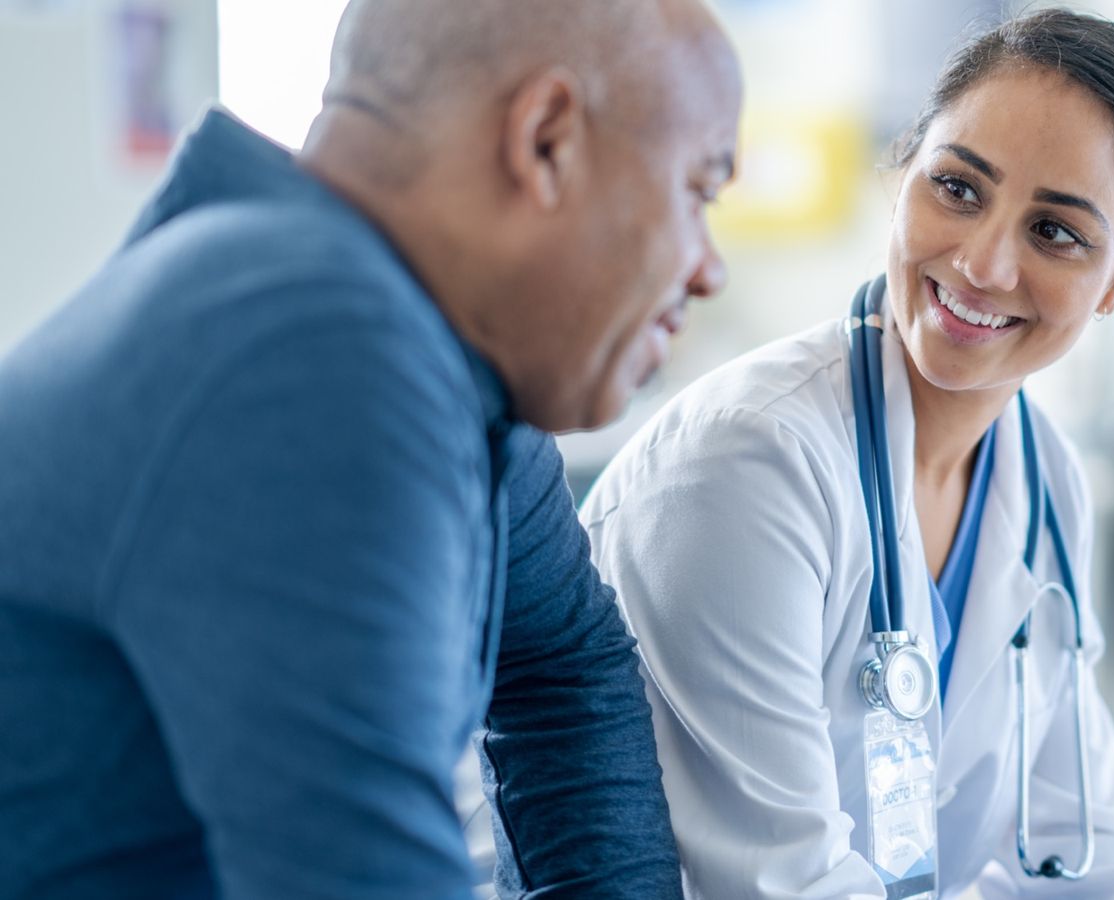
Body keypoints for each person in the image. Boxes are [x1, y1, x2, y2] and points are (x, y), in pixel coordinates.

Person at [577, 9, 1114, 899]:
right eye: (958, 188)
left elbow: (1068, 847)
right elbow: (783, 888)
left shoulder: (1044, 479)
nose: (983, 264)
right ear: (904, 167)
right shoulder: (748, 468)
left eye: (1054, 232)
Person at [0, 0, 739, 897]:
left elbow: (563, 668)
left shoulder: (397, 334)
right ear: (545, 140)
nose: (708, 268)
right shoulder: (310, 350)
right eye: (698, 191)